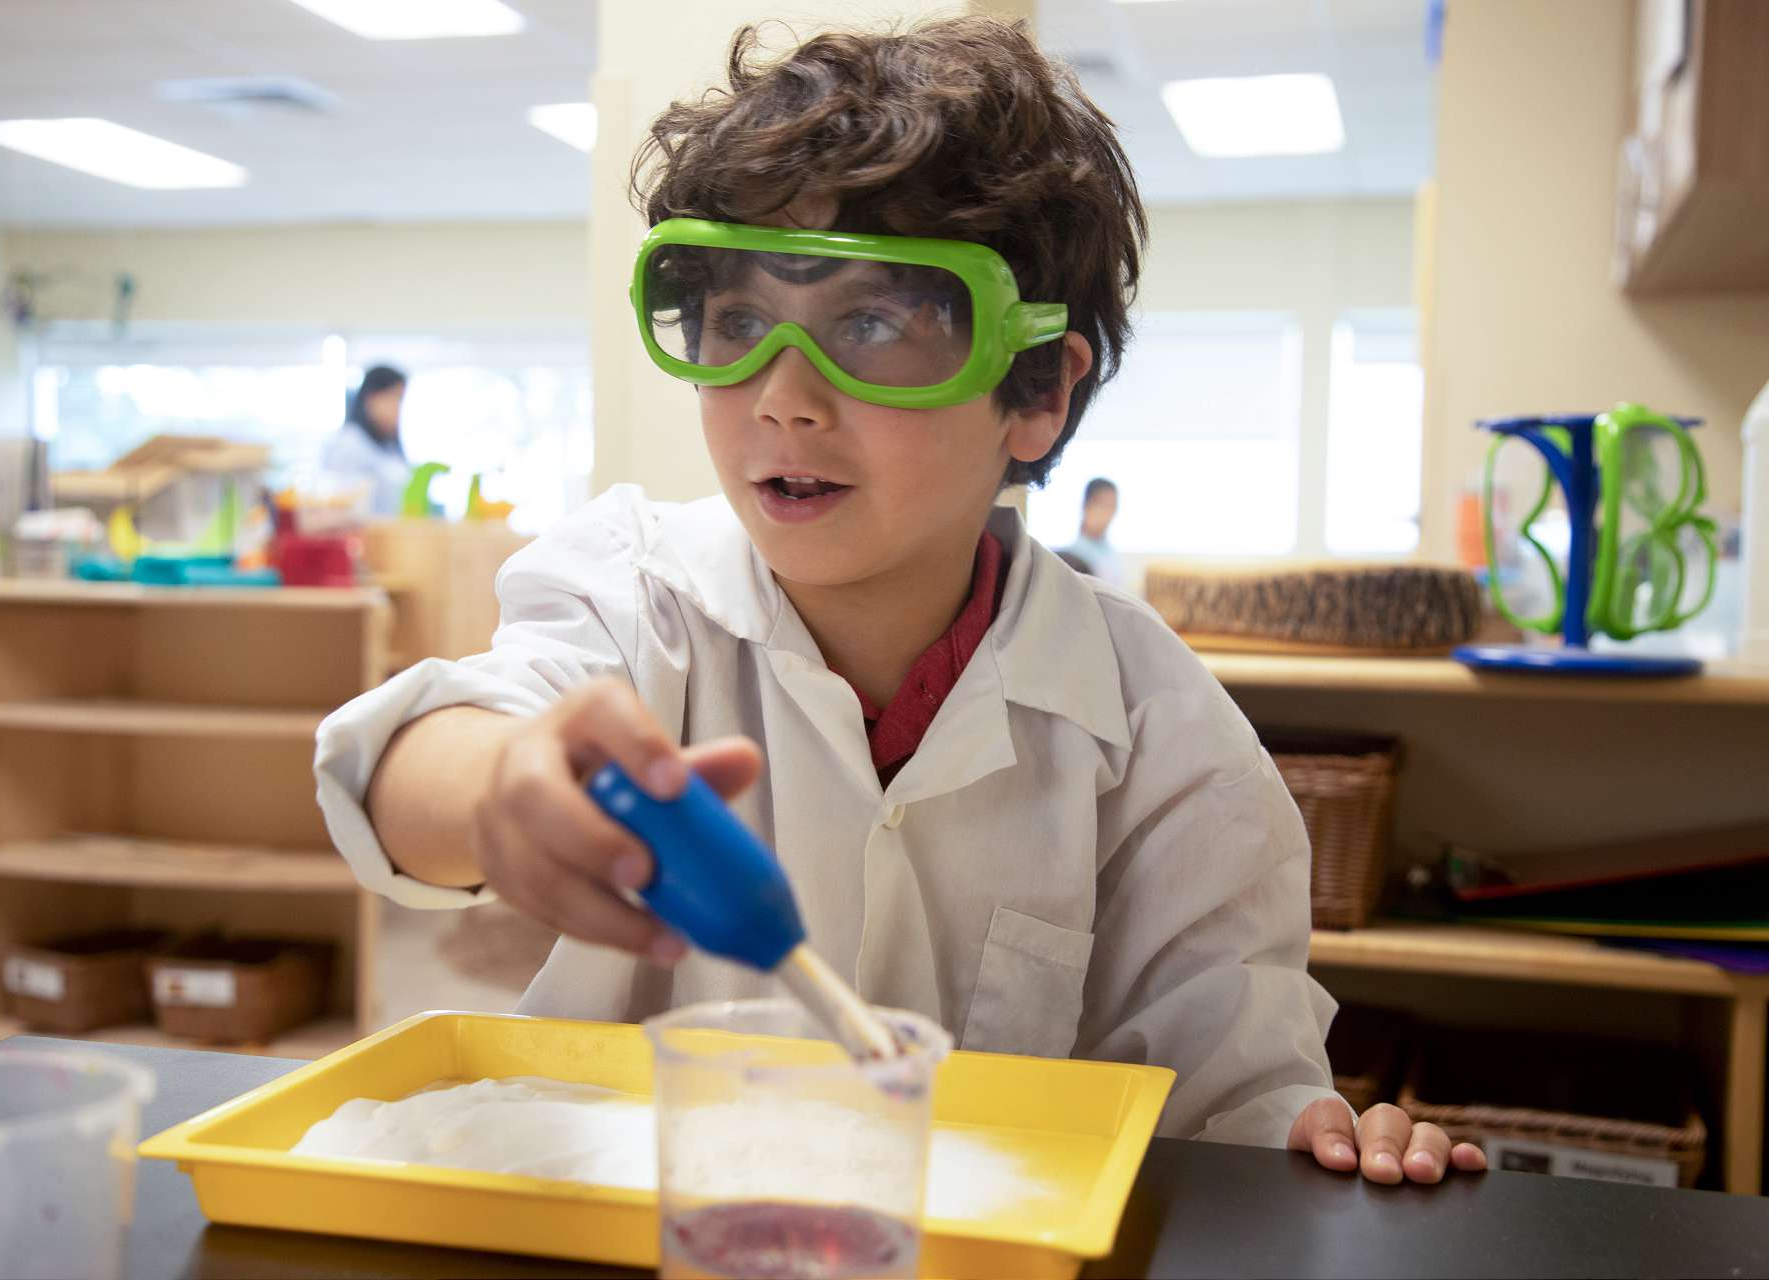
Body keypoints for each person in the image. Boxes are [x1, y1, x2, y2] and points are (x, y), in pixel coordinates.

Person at [315, 17, 1483, 1186]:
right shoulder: (639, 592)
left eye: (872, 323)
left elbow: (1227, 1110)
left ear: (1035, 391)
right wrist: (499, 783)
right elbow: (413, 764)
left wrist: (1316, 1137)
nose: (781, 397)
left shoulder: (1167, 741)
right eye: (736, 322)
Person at [322, 365, 412, 516]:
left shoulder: (388, 446)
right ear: (371, 398)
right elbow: (341, 508)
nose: (398, 408)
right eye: (394, 397)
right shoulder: (349, 445)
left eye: (401, 399)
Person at [1063, 476, 1123, 585]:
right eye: (1102, 505)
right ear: (1086, 506)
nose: (1108, 513)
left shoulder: (1113, 555)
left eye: (1112, 506)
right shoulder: (1073, 556)